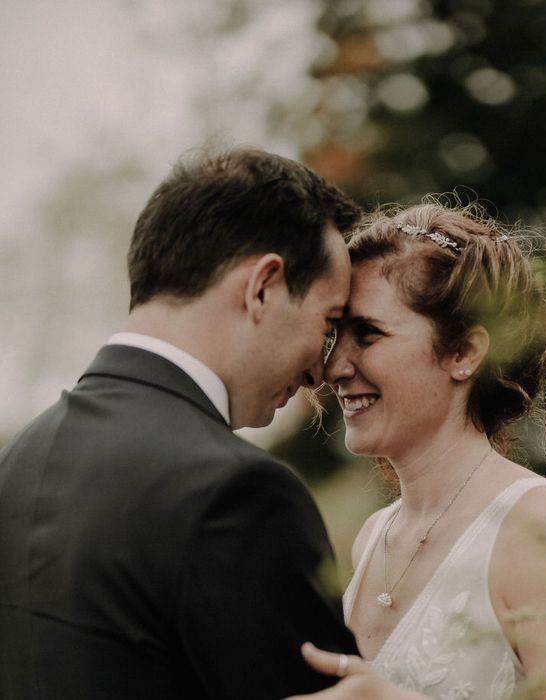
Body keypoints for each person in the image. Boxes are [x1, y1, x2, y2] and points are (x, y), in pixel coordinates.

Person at [0, 147, 362, 699]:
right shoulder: (238, 494)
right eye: (329, 321)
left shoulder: (19, 460)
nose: (322, 368)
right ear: (262, 285)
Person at [288, 203, 546, 699]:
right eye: (336, 334)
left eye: (369, 333)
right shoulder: (373, 537)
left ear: (464, 353)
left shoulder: (542, 526)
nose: (334, 366)